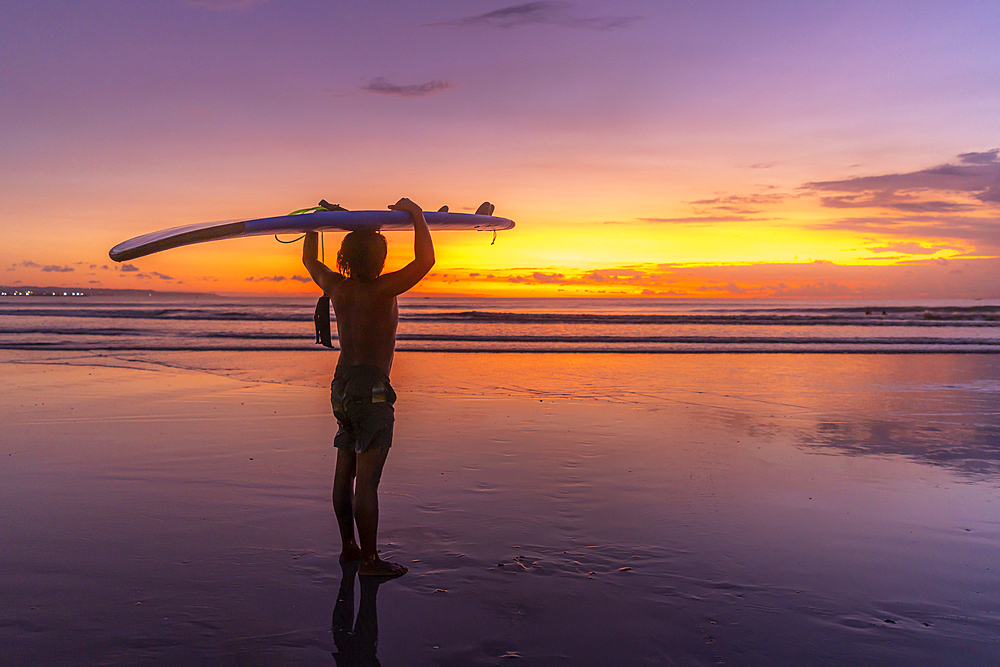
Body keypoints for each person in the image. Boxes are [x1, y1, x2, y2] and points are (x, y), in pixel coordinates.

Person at [303, 197, 434, 577]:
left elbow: (310, 261)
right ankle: (370, 561)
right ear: (380, 260)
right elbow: (425, 261)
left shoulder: (336, 287)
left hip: (341, 387)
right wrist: (417, 215)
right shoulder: (385, 289)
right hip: (372, 389)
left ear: (345, 258)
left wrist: (318, 222)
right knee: (368, 481)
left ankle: (348, 547)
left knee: (345, 471)